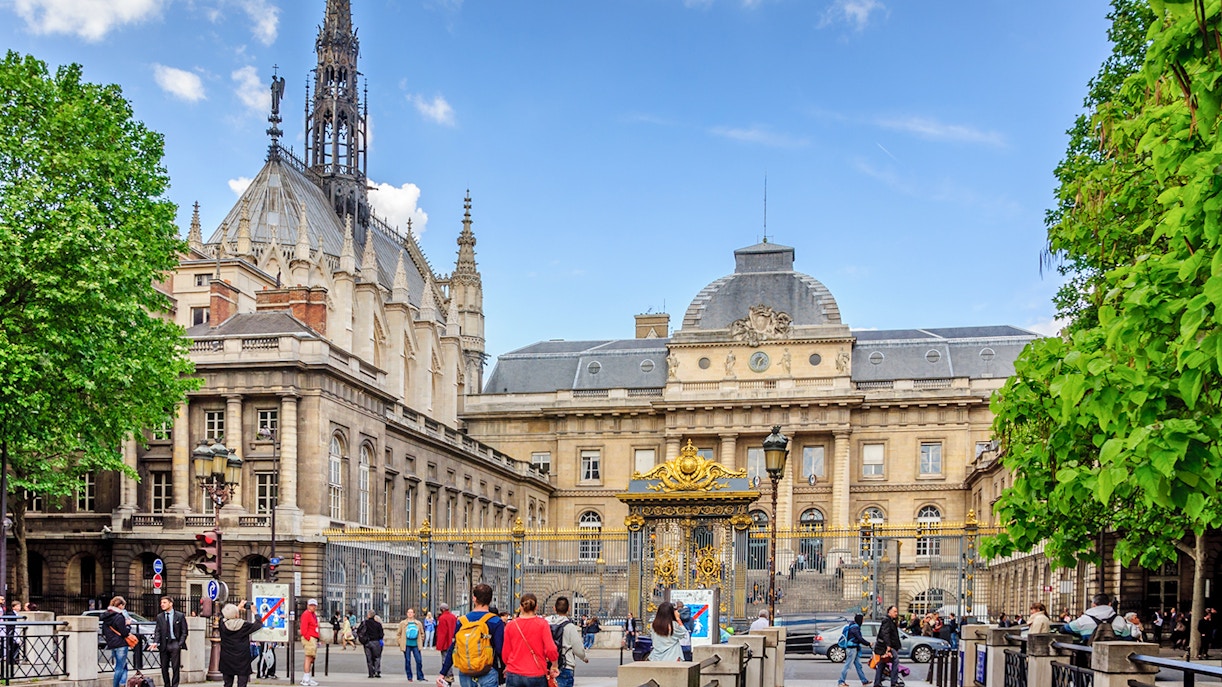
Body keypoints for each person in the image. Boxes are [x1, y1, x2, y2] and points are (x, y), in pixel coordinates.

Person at [439, 584, 505, 687]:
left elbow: (453, 648)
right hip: (488, 669)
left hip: (466, 670)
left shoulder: (462, 621)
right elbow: (500, 649)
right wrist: (504, 668)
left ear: (474, 598)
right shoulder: (496, 621)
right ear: (490, 599)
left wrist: (443, 672)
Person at [500, 593, 558, 687]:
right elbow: (551, 649)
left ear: (520, 607)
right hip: (536, 672)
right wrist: (554, 664)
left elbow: (505, 652)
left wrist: (508, 664)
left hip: (514, 671)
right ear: (536, 607)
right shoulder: (542, 624)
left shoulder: (511, 625)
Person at [218, 601, 264, 687]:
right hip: (242, 659)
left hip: (227, 658)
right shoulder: (244, 625)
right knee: (242, 684)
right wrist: (255, 612)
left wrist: (237, 608)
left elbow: (223, 616)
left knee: (227, 684)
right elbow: (258, 624)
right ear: (236, 615)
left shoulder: (222, 624)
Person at [545, 596, 586, 687]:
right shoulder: (570, 626)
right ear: (569, 609)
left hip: (547, 666)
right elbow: (578, 649)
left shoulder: (545, 624)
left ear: (554, 608)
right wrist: (584, 657)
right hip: (565, 665)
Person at [153, 595, 188, 687]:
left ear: (171, 603)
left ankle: (175, 685)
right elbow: (158, 631)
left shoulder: (179, 616)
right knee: (164, 667)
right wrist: (155, 642)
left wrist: (180, 643)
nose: (162, 605)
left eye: (164, 602)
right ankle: (166, 684)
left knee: (175, 667)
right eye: (161, 603)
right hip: (164, 644)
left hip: (175, 643)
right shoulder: (160, 616)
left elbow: (184, 631)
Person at [100, 596, 133, 687]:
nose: (124, 608)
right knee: (119, 667)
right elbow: (124, 632)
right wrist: (128, 625)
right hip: (121, 643)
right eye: (123, 605)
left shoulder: (106, 616)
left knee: (123, 665)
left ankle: (122, 683)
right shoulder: (119, 617)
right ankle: (116, 685)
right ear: (120, 605)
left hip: (112, 643)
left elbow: (104, 631)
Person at [837, 613, 870, 687]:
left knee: (859, 666)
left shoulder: (853, 626)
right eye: (862, 619)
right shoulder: (855, 628)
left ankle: (864, 681)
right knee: (847, 665)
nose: (863, 621)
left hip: (854, 649)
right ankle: (841, 681)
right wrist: (868, 643)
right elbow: (859, 638)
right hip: (852, 649)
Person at [872, 605, 902, 687]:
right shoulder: (887, 620)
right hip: (885, 646)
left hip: (885, 646)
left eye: (896, 611)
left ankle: (877, 682)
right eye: (894, 611)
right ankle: (894, 682)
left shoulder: (890, 620)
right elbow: (885, 633)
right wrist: (888, 645)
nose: (896, 613)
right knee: (895, 661)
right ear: (889, 612)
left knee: (882, 663)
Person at [398, 608, 425, 682]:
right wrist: (400, 642)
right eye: (408, 612)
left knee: (419, 660)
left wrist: (421, 640)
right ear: (407, 614)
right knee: (408, 661)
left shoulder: (418, 623)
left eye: (411, 612)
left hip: (416, 644)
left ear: (414, 614)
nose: (410, 614)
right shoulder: (403, 623)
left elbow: (422, 633)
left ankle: (420, 676)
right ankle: (409, 676)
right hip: (406, 644)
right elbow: (398, 634)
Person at [357, 610, 384, 677]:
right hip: (376, 642)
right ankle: (377, 671)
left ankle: (371, 673)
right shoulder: (378, 624)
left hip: (367, 642)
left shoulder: (364, 623)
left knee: (369, 658)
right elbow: (381, 634)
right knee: (377, 657)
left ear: (368, 615)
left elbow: (359, 631)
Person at [300, 599, 321, 686]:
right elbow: (303, 627)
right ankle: (306, 677)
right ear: (308, 605)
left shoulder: (313, 615)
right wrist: (308, 637)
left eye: (314, 605)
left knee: (312, 658)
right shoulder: (306, 614)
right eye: (311, 605)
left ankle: (307, 676)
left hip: (313, 637)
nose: (313, 607)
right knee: (309, 657)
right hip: (309, 637)